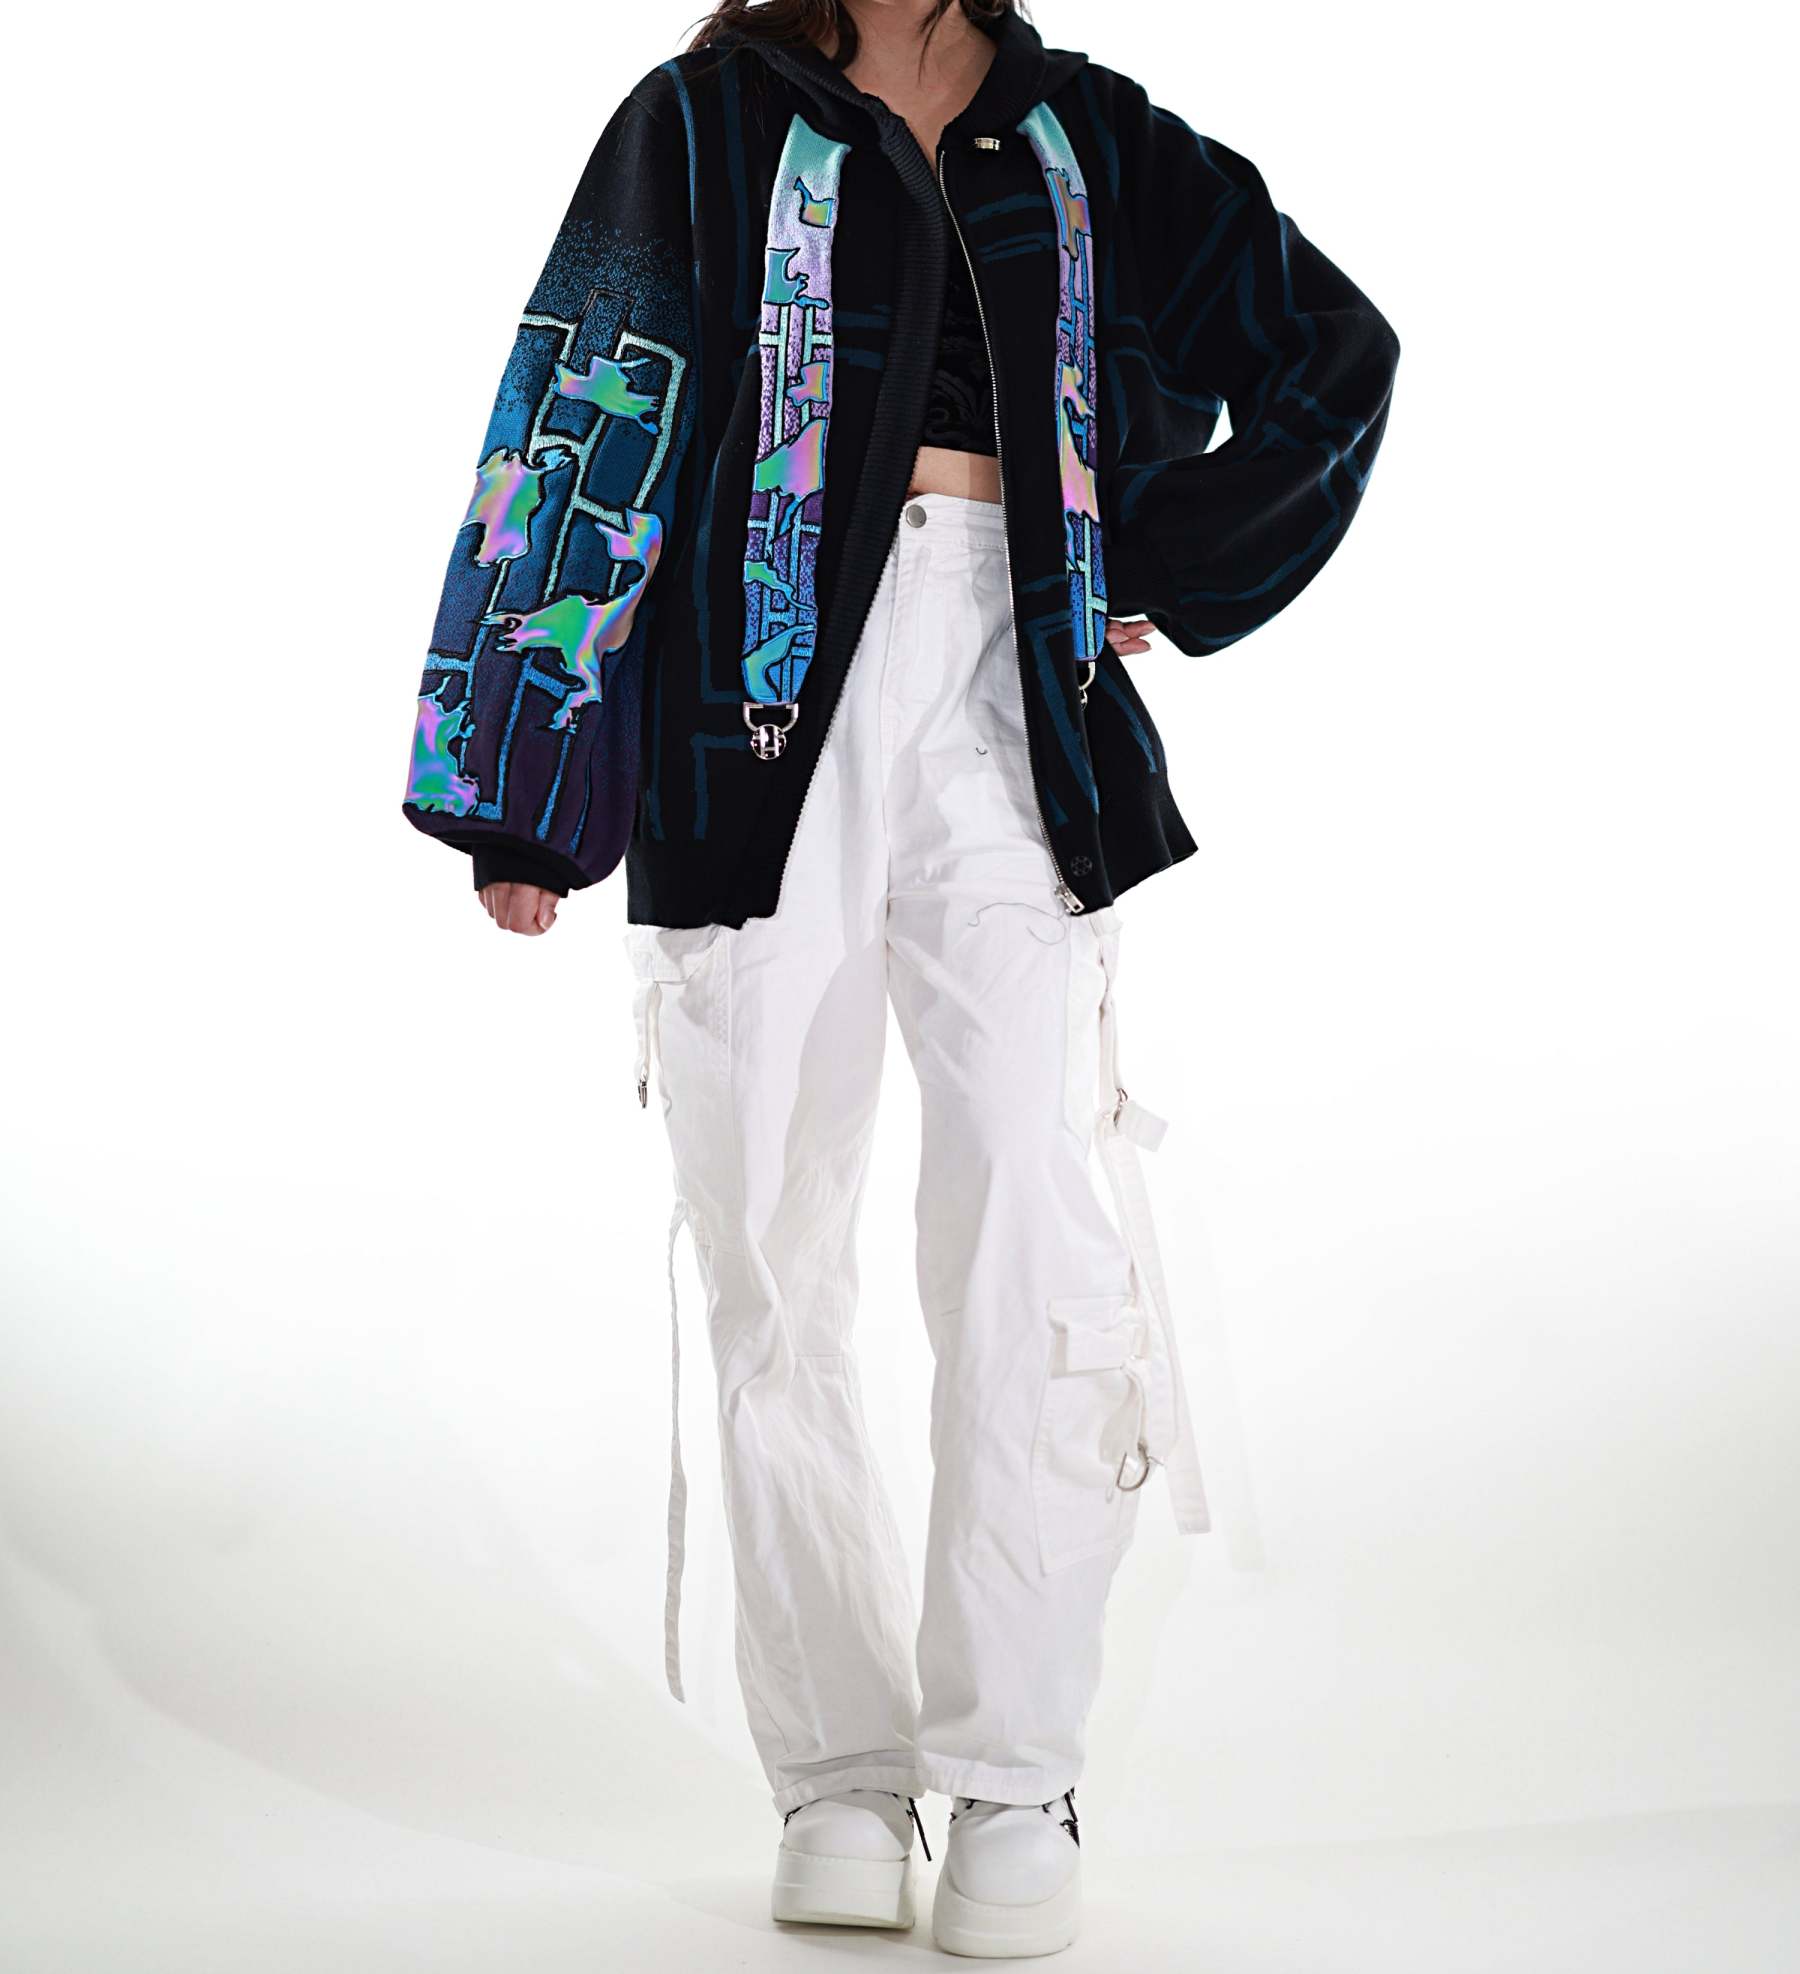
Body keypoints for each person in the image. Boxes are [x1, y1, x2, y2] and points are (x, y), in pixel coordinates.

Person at [400, 0, 1399, 1954]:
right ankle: (839, 1775)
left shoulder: (1087, 130)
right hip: (745, 701)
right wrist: (526, 780)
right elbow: (583, 402)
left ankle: (1015, 1768)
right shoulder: (702, 123)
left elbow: (1330, 359)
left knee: (1031, 1207)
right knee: (769, 1246)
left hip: (1016, 699)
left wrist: (1152, 554)